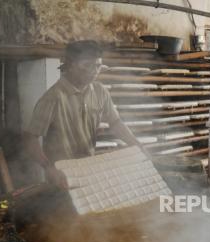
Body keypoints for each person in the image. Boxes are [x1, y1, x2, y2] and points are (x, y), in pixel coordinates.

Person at [24, 40, 143, 189]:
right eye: (88, 65)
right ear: (71, 65)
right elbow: (30, 140)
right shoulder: (53, 97)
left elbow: (116, 123)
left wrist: (138, 146)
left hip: (89, 169)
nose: (94, 71)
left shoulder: (100, 92)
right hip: (62, 175)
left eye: (98, 66)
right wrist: (49, 168)